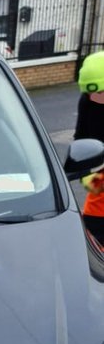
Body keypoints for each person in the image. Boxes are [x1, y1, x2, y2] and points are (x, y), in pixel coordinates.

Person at [74, 51, 104, 242]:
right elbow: (81, 137)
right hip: (98, 208)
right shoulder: (88, 101)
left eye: (101, 93)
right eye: (90, 94)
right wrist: (85, 172)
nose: (96, 98)